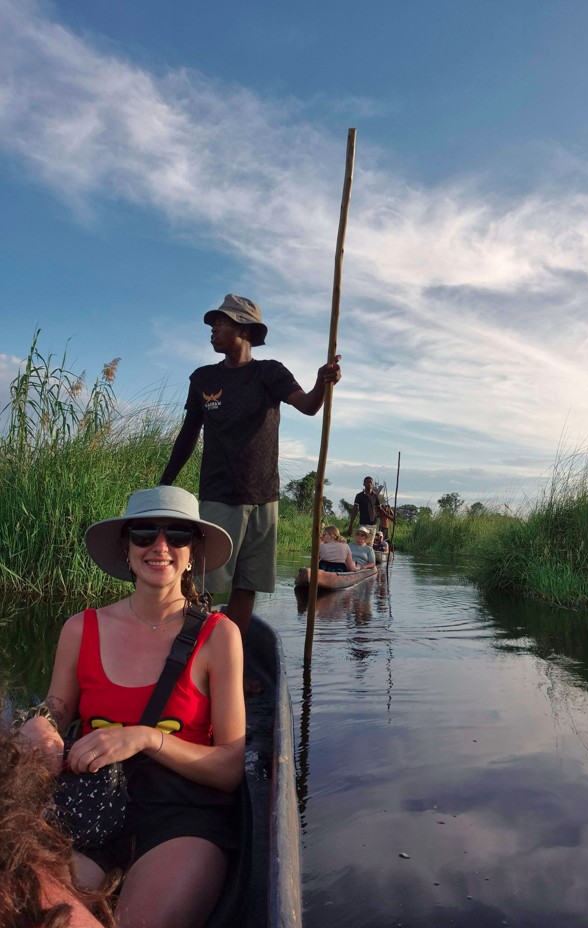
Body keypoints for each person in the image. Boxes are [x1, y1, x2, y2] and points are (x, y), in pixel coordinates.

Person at [17, 486, 245, 928]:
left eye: (177, 535)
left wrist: (145, 737)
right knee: (39, 912)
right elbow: (57, 710)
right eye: (144, 533)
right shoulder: (80, 628)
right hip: (89, 807)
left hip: (181, 814)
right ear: (126, 546)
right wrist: (40, 725)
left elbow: (230, 767)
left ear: (193, 550)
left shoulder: (220, 635)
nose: (160, 546)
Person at [159, 293, 341, 635]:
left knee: (247, 584)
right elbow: (187, 435)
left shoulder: (269, 373)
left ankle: (233, 659)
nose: (212, 329)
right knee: (204, 584)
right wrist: (165, 481)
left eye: (221, 323)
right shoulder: (203, 379)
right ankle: (195, 656)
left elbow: (309, 406)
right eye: (213, 323)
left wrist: (323, 381)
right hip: (218, 496)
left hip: (263, 498)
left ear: (244, 329)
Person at [0, 723, 115, 928]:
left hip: (168, 804)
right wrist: (42, 724)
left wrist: (146, 739)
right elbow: (53, 713)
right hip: (88, 802)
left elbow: (195, 762)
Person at [346, 477, 391, 542]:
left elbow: (380, 510)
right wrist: (350, 526)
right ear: (364, 484)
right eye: (367, 482)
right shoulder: (359, 496)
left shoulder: (375, 496)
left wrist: (391, 518)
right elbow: (355, 510)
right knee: (361, 543)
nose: (369, 484)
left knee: (370, 546)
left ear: (372, 484)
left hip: (373, 526)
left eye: (370, 482)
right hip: (363, 525)